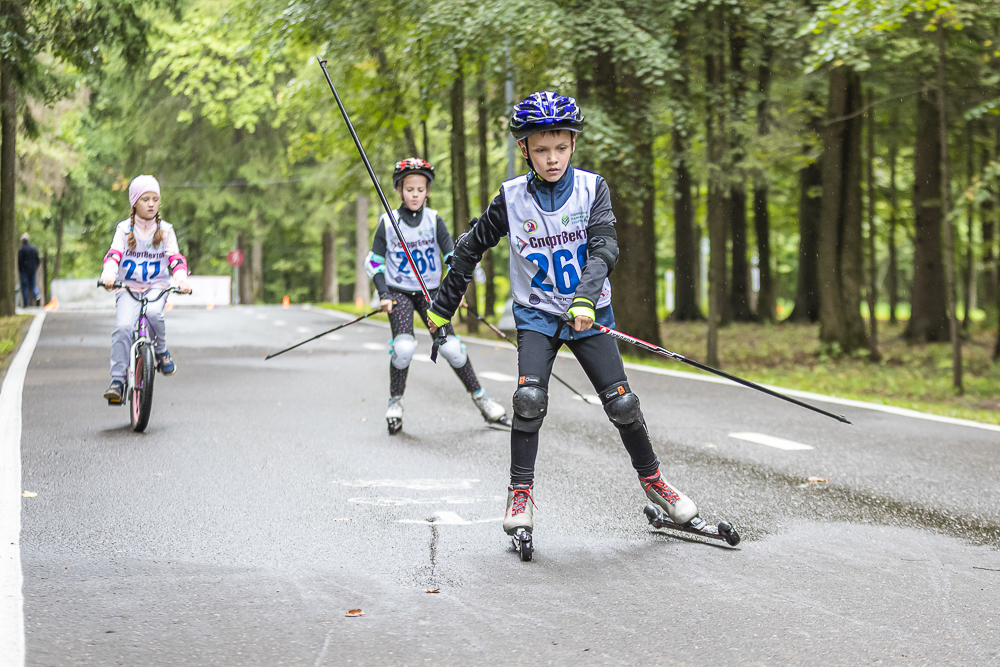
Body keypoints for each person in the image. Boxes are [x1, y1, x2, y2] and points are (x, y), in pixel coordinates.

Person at [426, 91, 710, 546]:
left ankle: (655, 482)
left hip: (588, 311)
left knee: (622, 404)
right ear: (524, 149)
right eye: (540, 149)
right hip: (537, 315)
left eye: (560, 147)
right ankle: (519, 496)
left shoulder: (592, 188)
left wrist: (584, 298)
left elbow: (605, 248)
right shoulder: (512, 198)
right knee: (529, 399)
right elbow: (469, 248)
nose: (552, 158)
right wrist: (441, 309)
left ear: (573, 143)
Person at [364, 157, 510, 434]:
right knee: (404, 348)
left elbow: (452, 256)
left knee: (452, 349)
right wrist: (383, 293)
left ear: (427, 191)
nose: (415, 195)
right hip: (400, 292)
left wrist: (456, 291)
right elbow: (374, 263)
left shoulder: (433, 220)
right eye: (409, 189)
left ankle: (484, 402)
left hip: (432, 291)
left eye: (420, 189)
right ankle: (395, 403)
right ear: (399, 189)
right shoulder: (388, 222)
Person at [100, 175, 191, 403]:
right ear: (134, 203)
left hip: (156, 286)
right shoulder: (123, 229)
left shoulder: (166, 231)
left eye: (155, 199)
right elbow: (113, 255)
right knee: (122, 327)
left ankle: (161, 352)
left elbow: (175, 259)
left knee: (153, 313)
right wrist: (109, 274)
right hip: (128, 288)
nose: (151, 204)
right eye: (145, 199)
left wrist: (181, 279)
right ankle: (118, 381)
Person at [17, 233, 40, 307]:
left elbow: (20, 262)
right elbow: (38, 261)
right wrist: (35, 268)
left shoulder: (21, 250)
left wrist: (21, 270)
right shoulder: (33, 249)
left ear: (22, 241)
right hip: (32, 271)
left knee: (24, 287)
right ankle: (36, 296)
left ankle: (26, 303)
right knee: (33, 286)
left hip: (24, 271)